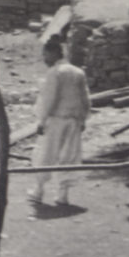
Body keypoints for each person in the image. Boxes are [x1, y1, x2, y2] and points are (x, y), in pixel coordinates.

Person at [30, 34, 92, 207]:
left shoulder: (55, 73)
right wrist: (83, 119)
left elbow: (50, 98)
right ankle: (62, 194)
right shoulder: (78, 72)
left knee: (47, 153)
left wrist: (41, 121)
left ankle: (39, 190)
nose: (44, 59)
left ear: (54, 54)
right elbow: (85, 98)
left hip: (56, 120)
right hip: (73, 120)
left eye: (46, 55)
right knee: (69, 156)